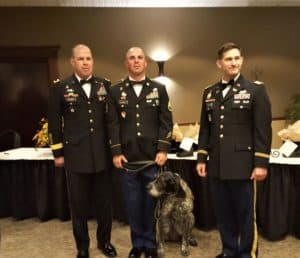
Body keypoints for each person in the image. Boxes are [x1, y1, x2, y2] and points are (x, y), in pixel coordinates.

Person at [196, 42, 272, 258]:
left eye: (237, 58)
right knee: (223, 212)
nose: (234, 62)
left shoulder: (255, 90)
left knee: (246, 214)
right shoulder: (209, 93)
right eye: (229, 59)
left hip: (243, 165)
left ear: (242, 60)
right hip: (218, 165)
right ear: (219, 63)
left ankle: (246, 253)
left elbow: (262, 130)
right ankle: (229, 250)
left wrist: (261, 163)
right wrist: (202, 157)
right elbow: (205, 129)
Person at [48, 44, 117, 258]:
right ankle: (82, 247)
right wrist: (57, 153)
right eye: (81, 59)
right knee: (78, 206)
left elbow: (111, 121)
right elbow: (54, 123)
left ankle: (104, 242)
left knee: (105, 205)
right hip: (76, 157)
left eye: (89, 58)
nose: (85, 62)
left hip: (102, 156)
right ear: (72, 62)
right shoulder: (60, 87)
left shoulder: (104, 85)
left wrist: (115, 151)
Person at [106, 47, 173, 258]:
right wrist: (116, 152)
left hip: (152, 158)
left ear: (146, 63)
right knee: (133, 204)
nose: (136, 61)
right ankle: (138, 244)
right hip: (128, 159)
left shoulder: (158, 88)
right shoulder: (115, 91)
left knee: (151, 203)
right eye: (132, 58)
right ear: (126, 63)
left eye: (140, 58)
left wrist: (163, 148)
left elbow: (166, 122)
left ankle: (151, 243)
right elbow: (112, 125)